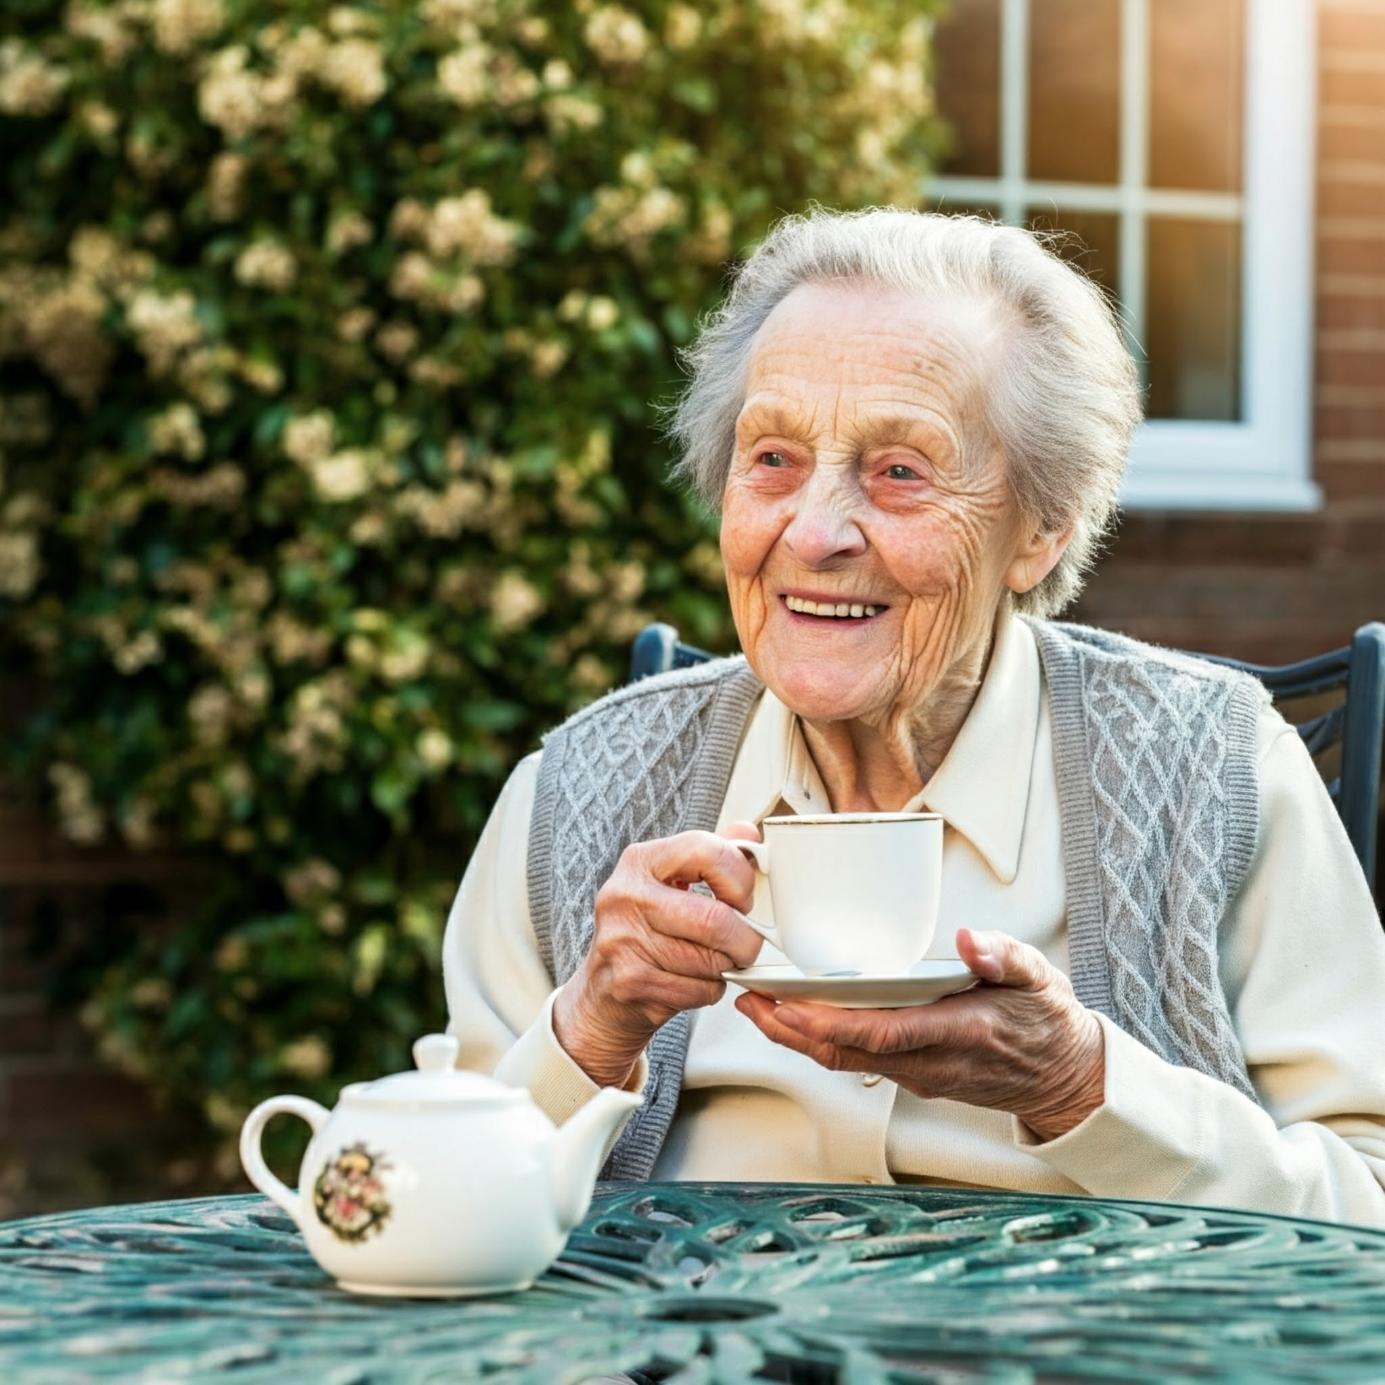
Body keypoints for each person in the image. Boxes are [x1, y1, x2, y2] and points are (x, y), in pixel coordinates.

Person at [443, 207, 1385, 1222]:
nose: (812, 531)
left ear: (1039, 528)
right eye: (771, 460)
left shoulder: (1218, 770)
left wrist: (1079, 1085)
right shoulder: (579, 789)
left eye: (899, 470)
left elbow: (1365, 1203)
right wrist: (588, 1026)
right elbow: (428, 1200)